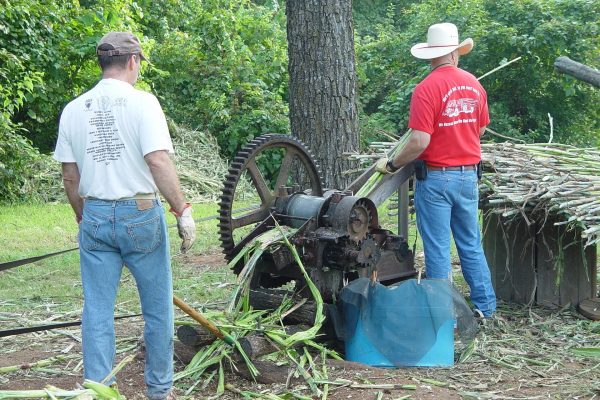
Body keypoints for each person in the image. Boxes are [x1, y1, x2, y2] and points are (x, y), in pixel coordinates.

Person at [54, 31, 196, 399]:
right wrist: (182, 209)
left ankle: (101, 390)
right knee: (157, 309)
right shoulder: (143, 103)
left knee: (97, 311)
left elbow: (70, 176)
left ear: (103, 63)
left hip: (96, 214)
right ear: (133, 61)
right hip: (141, 213)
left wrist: (84, 215)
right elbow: (157, 160)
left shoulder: (73, 109)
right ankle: (159, 391)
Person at [376, 23, 496, 318]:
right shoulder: (474, 84)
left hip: (437, 178)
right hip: (469, 175)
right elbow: (480, 127)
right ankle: (486, 309)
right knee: (470, 244)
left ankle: (443, 316)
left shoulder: (426, 89)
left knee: (438, 250)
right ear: (455, 53)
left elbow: (419, 141)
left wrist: (392, 163)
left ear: (431, 55)